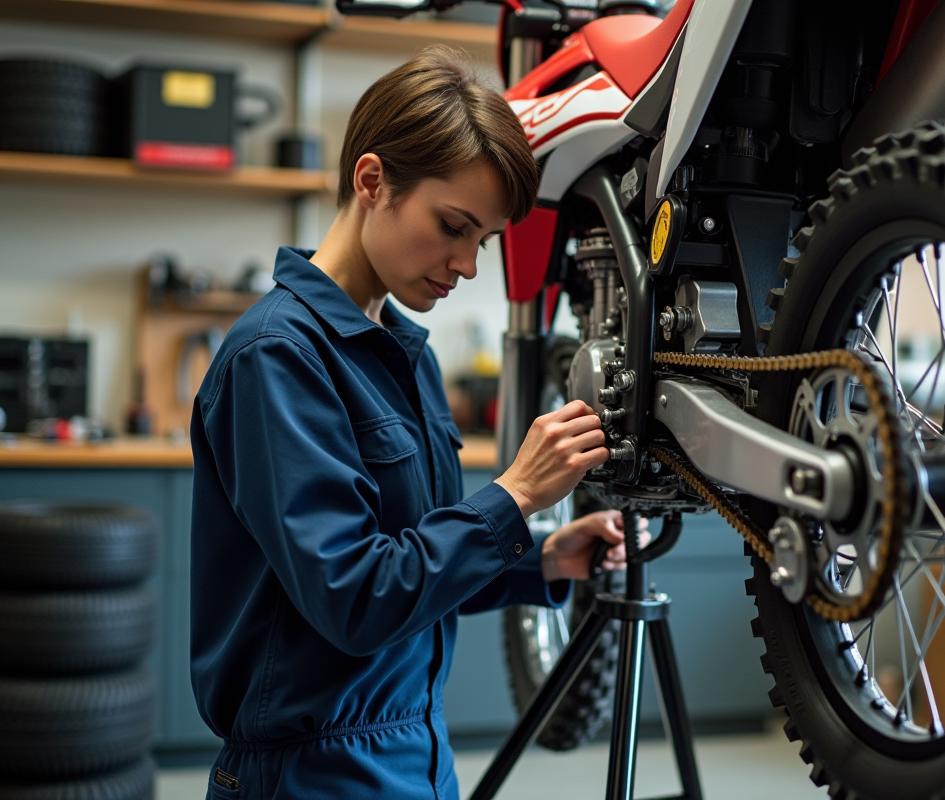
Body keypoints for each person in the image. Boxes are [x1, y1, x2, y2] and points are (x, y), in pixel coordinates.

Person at [189, 46, 636, 800]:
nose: (467, 265)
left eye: (484, 241)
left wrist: (543, 558)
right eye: (452, 226)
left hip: (416, 756)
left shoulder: (406, 354)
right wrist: (515, 494)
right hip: (310, 775)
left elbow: (415, 563)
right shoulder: (277, 358)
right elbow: (357, 598)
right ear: (373, 181)